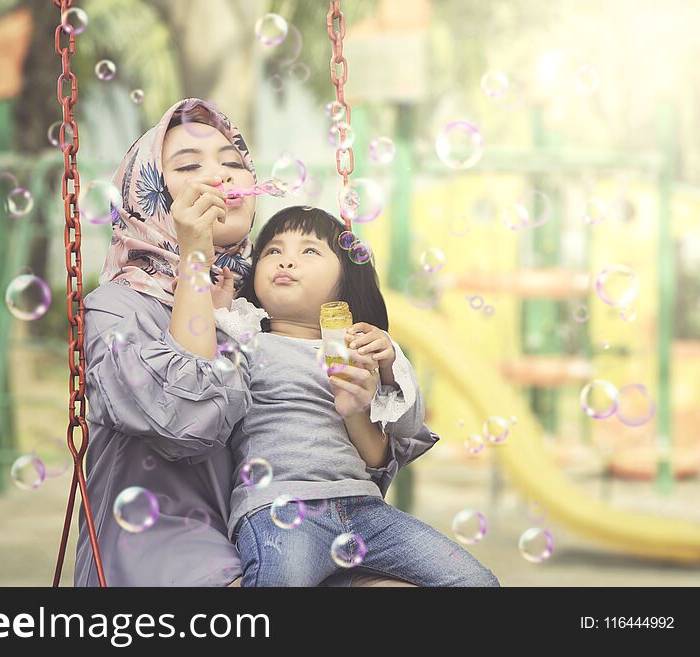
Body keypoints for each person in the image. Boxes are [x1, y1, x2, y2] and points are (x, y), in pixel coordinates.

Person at [74, 98, 416, 586]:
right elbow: (186, 424)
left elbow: (345, 465)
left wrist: (359, 402)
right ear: (146, 194)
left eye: (233, 164)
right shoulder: (117, 308)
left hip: (275, 530)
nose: (221, 176)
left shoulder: (258, 310)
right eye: (190, 166)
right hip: (162, 548)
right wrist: (194, 254)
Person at [214, 205, 501, 587]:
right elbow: (206, 368)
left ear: (345, 281)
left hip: (363, 507)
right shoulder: (246, 339)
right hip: (279, 506)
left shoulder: (356, 348)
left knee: (476, 582)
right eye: (273, 251)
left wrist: (388, 360)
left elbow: (408, 424)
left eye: (309, 251)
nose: (286, 261)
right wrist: (216, 310)